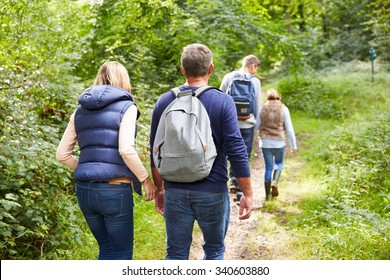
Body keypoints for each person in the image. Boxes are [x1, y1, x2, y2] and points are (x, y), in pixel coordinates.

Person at [150, 43, 253, 260]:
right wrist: (247, 193)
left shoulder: (164, 101)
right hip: (212, 190)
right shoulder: (222, 101)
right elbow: (236, 149)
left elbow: (155, 150)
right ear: (211, 69)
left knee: (176, 254)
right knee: (214, 251)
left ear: (182, 70)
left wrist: (160, 189)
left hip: (175, 192)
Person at [56, 61, 156, 260]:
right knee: (121, 254)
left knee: (106, 249)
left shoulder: (79, 111)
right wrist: (145, 180)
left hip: (85, 191)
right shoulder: (127, 107)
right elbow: (126, 149)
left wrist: (87, 168)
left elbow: (61, 155)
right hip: (114, 191)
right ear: (123, 79)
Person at [220, 55, 262, 202]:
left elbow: (220, 99)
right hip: (247, 124)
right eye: (256, 67)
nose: (256, 71)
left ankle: (231, 181)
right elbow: (257, 105)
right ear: (251, 66)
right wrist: (256, 124)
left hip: (230, 124)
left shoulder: (228, 77)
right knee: (244, 155)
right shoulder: (255, 82)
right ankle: (239, 190)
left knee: (227, 153)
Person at [259, 88, 297, 200]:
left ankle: (267, 196)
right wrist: (293, 145)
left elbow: (256, 125)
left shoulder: (263, 108)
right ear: (278, 97)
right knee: (279, 163)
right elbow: (289, 129)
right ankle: (275, 182)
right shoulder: (283, 109)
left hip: (265, 142)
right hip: (279, 142)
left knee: (268, 168)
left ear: (267, 98)